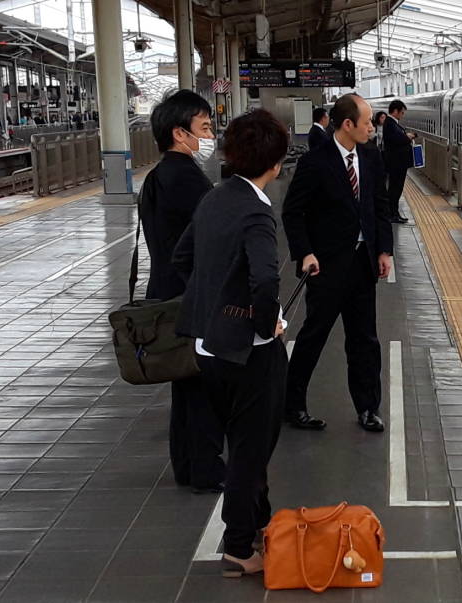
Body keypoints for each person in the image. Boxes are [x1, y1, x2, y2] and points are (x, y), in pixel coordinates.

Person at [169, 108, 290, 578]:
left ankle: (258, 522)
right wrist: (267, 324)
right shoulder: (258, 211)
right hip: (250, 352)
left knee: (240, 442)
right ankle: (240, 547)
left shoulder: (215, 197)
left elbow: (183, 258)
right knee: (250, 450)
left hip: (207, 346)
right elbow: (264, 281)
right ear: (275, 164)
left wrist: (213, 309)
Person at [280, 94, 393, 432]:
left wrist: (383, 250)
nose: (372, 128)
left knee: (365, 340)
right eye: (367, 122)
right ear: (348, 124)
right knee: (313, 337)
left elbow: (380, 206)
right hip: (326, 267)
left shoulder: (371, 157)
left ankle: (368, 407)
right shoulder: (316, 161)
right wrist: (305, 253)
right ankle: (293, 404)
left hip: (362, 266)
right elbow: (292, 211)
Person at [140, 89, 223, 493]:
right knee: (203, 384)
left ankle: (188, 465)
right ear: (179, 133)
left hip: (166, 291)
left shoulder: (157, 175)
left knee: (186, 384)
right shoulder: (187, 177)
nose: (210, 136)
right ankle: (205, 469)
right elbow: (208, 239)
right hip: (190, 297)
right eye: (204, 128)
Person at [381, 100, 414, 224]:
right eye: (402, 113)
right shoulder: (390, 123)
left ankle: (394, 213)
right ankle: (392, 214)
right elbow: (396, 139)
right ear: (395, 111)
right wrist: (407, 137)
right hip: (396, 163)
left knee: (396, 189)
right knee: (395, 189)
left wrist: (405, 136)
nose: (402, 115)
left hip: (398, 163)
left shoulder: (392, 123)